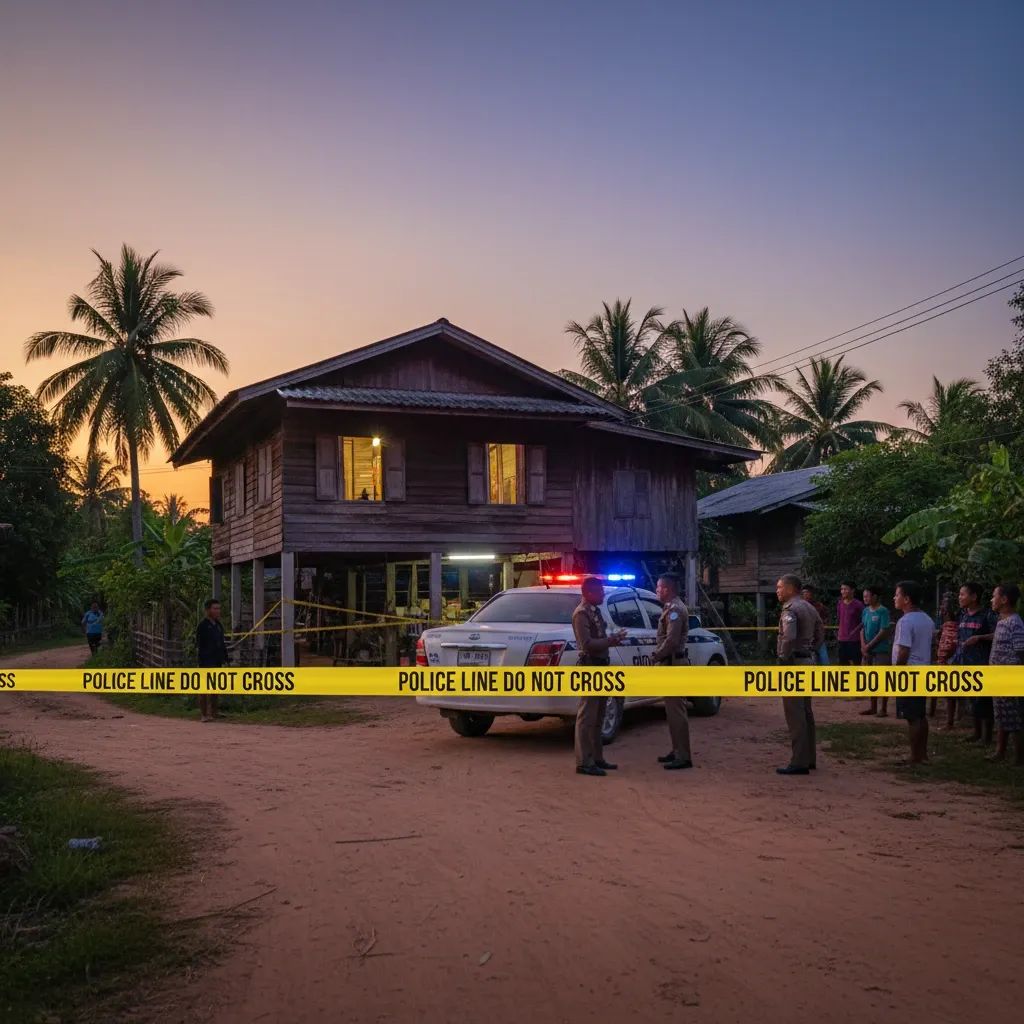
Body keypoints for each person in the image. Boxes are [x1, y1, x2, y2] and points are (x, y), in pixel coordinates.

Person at [572, 577, 626, 777]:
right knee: (587, 716)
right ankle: (584, 762)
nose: (603, 594)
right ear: (589, 593)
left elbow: (600, 638)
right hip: (590, 666)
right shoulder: (581, 614)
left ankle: (597, 757)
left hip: (601, 665)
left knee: (599, 714)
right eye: (600, 591)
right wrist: (611, 641)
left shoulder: (594, 611)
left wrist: (613, 639)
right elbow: (587, 644)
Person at [775, 574, 823, 776]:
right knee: (806, 712)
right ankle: (809, 758)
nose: (777, 591)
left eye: (780, 587)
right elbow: (820, 635)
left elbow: (788, 637)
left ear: (790, 589)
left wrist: (783, 658)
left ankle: (799, 762)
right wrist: (810, 651)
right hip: (808, 661)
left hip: (794, 664)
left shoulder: (790, 609)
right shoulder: (810, 608)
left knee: (795, 714)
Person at [651, 573, 693, 771]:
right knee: (672, 711)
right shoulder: (670, 607)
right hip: (670, 664)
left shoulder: (675, 609)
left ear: (667, 589)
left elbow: (672, 641)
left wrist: (656, 655)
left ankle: (683, 756)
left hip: (673, 664)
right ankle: (677, 750)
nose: (657, 590)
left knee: (676, 712)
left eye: (659, 587)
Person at [891, 581, 933, 765]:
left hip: (909, 673)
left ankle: (915, 756)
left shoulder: (905, 621)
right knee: (920, 715)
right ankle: (922, 754)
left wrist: (897, 672)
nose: (894, 598)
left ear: (906, 599)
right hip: (923, 670)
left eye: (897, 594)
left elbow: (904, 651)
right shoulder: (927, 619)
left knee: (912, 717)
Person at [956, 582, 997, 745]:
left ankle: (986, 737)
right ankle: (976, 733)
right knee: (973, 699)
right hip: (965, 663)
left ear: (974, 597)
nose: (959, 597)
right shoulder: (963, 615)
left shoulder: (987, 615)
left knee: (984, 701)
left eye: (963, 594)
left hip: (982, 663)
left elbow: (997, 634)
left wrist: (979, 638)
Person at [989, 583, 1024, 766]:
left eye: (994, 596)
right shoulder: (1002, 621)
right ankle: (1000, 751)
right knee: (1001, 715)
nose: (991, 600)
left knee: (1015, 718)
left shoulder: (1015, 622)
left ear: (1004, 600)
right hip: (998, 676)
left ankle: (1019, 757)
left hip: (1009, 676)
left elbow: (1021, 650)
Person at [859, 586, 892, 717]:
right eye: (864, 596)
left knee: (882, 679)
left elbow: (883, 631)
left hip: (880, 650)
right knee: (870, 679)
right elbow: (862, 629)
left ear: (875, 596)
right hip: (868, 651)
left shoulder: (883, 611)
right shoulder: (865, 611)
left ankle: (883, 708)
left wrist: (869, 645)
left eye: (867, 596)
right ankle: (872, 707)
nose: (865, 599)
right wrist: (863, 645)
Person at [196, 598, 229, 722]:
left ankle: (214, 712)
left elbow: (221, 643)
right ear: (208, 610)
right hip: (205, 661)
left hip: (217, 660)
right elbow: (199, 645)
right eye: (215, 608)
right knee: (204, 688)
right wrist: (203, 660)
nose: (217, 611)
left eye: (219, 608)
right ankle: (204, 714)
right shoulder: (203, 626)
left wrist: (225, 658)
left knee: (215, 688)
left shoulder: (218, 625)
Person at [935, 593, 961, 729]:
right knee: (949, 694)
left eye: (943, 606)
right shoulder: (945, 626)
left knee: (950, 694)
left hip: (950, 663)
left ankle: (950, 722)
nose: (941, 608)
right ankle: (953, 718)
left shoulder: (954, 626)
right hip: (944, 662)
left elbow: (954, 644)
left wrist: (946, 657)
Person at [836, 581, 864, 666]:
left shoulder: (858, 604)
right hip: (842, 639)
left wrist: (855, 631)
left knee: (856, 664)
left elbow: (863, 621)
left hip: (855, 640)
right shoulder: (840, 603)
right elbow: (839, 618)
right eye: (842, 589)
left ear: (852, 590)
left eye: (845, 589)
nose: (843, 591)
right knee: (843, 665)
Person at [802, 585, 830, 665]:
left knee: (825, 662)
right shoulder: (799, 606)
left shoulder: (819, 606)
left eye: (807, 592)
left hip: (818, 639)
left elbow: (826, 618)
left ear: (812, 594)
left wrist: (822, 629)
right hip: (804, 640)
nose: (805, 595)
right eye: (803, 593)